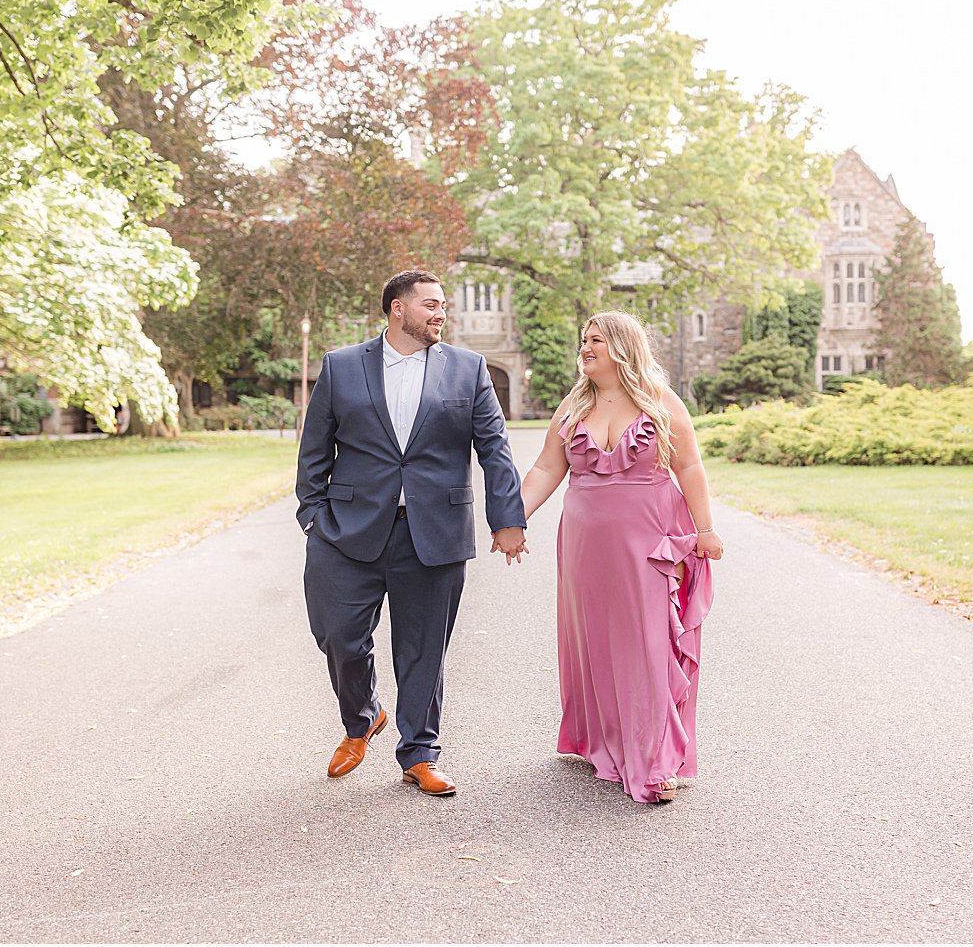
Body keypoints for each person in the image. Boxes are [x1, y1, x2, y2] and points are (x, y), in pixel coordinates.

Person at [296, 270, 527, 797]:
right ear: (397, 309)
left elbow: (494, 448)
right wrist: (312, 514)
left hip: (434, 532)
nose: (441, 312)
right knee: (337, 634)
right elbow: (315, 448)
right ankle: (362, 718)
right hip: (346, 531)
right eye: (430, 304)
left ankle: (419, 752)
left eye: (444, 304)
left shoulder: (468, 370)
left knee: (424, 649)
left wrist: (507, 518)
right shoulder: (341, 366)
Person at [512, 311, 723, 804]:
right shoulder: (575, 402)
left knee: (647, 644)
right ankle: (604, 740)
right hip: (585, 545)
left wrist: (706, 529)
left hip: (647, 541)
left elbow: (689, 465)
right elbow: (547, 466)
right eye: (583, 340)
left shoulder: (659, 400)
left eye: (596, 341)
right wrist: (513, 518)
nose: (585, 348)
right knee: (595, 643)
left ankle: (653, 761)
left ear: (623, 346)